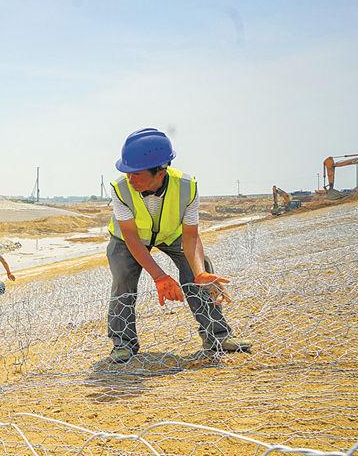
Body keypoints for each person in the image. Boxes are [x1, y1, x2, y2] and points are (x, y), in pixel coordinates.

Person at [105, 128, 252, 363]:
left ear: (161, 172)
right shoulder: (119, 188)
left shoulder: (187, 186)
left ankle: (218, 336)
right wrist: (160, 276)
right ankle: (123, 344)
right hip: (128, 239)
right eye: (127, 172)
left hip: (172, 235)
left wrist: (199, 272)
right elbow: (132, 237)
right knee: (122, 277)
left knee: (200, 269)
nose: (130, 179)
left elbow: (191, 235)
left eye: (137, 174)